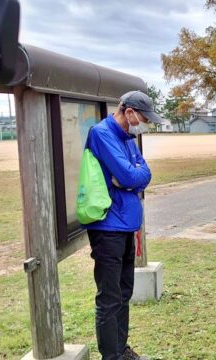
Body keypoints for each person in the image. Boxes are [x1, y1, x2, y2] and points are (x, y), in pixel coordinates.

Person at [83, 90, 155, 360]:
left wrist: (131, 176)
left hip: (126, 225)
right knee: (109, 297)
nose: (143, 123)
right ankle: (110, 356)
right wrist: (130, 176)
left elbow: (144, 173)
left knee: (124, 292)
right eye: (143, 118)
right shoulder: (102, 134)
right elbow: (128, 173)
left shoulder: (127, 138)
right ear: (128, 112)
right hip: (108, 228)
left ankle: (121, 349)